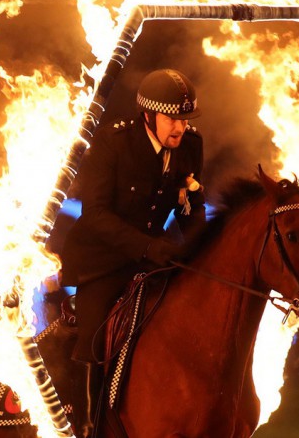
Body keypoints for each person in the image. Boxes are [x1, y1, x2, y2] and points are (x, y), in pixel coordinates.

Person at [60, 68, 206, 437]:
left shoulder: (191, 144)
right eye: (172, 118)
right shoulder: (113, 143)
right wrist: (147, 246)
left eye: (185, 119)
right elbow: (94, 215)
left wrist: (199, 237)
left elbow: (189, 210)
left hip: (154, 259)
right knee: (93, 337)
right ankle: (87, 427)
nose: (180, 128)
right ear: (149, 115)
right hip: (103, 262)